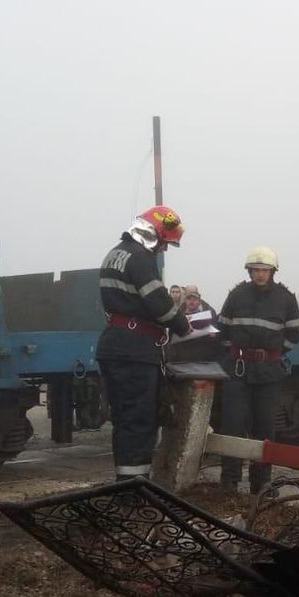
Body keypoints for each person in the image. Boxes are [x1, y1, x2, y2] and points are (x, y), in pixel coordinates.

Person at [96, 206, 191, 482]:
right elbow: (160, 305)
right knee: (140, 421)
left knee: (125, 420)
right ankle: (135, 491)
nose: (164, 249)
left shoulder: (115, 254)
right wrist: (183, 325)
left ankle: (125, 484)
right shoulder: (140, 258)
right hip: (135, 350)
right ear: (154, 234)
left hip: (116, 346)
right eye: (164, 243)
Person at [217, 246, 299, 494]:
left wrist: (271, 354)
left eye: (265, 270)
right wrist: (240, 356)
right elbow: (222, 333)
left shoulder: (286, 298)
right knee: (232, 426)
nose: (260, 274)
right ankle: (229, 481)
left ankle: (261, 483)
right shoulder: (236, 296)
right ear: (249, 271)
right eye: (256, 270)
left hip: (268, 373)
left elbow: (294, 336)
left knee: (264, 428)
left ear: (273, 271)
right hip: (239, 371)